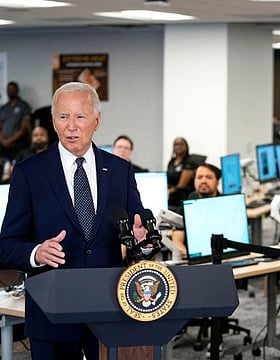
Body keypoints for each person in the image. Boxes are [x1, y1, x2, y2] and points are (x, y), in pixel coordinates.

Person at [0, 82, 147, 360]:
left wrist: (142, 242)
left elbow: (139, 232)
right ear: (53, 122)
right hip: (51, 314)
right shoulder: (28, 173)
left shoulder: (119, 170)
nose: (71, 126)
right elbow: (6, 244)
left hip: (109, 310)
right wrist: (36, 252)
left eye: (80, 117)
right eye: (63, 117)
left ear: (97, 120)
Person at [170, 163, 222, 257]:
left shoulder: (226, 204)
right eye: (199, 177)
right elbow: (177, 238)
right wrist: (191, 258)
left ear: (217, 182)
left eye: (209, 177)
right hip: (195, 258)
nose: (203, 181)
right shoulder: (188, 204)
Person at [0, 81, 32, 160]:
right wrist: (3, 141)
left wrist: (9, 141)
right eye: (8, 89)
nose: (10, 91)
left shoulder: (24, 106)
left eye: (12, 88)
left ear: (17, 90)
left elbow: (25, 127)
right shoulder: (3, 108)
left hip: (18, 144)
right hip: (3, 144)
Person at [166, 137, 197, 212]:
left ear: (186, 146)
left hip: (183, 197)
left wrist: (167, 192)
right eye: (176, 144)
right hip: (171, 198)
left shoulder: (189, 162)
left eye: (180, 144)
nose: (178, 146)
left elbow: (181, 185)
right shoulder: (171, 162)